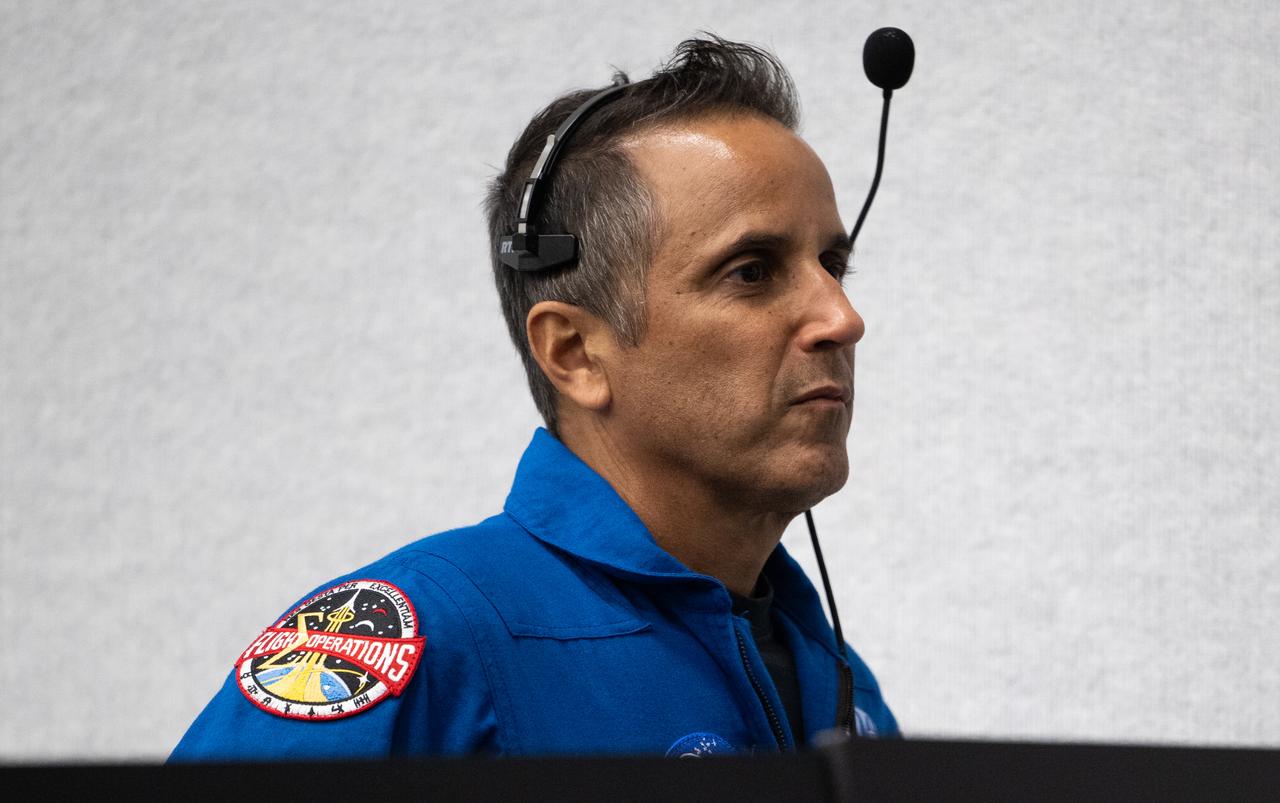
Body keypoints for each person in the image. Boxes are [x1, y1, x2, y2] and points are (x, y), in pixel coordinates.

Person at [171, 35, 899, 761]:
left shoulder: (834, 675)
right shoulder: (412, 641)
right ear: (574, 353)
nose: (842, 317)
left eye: (833, 264)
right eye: (750, 271)